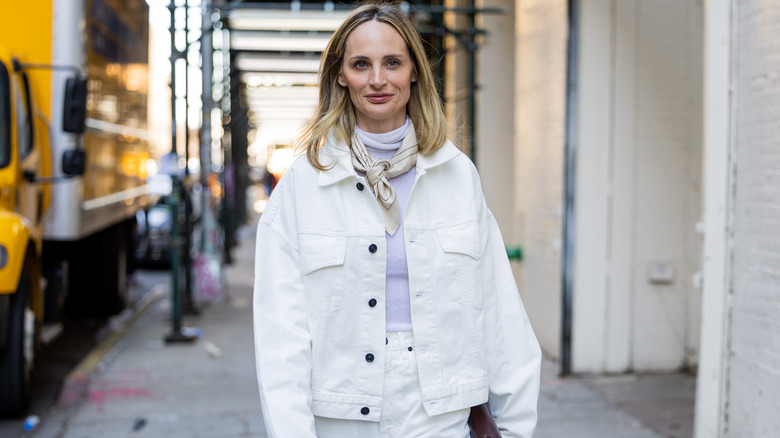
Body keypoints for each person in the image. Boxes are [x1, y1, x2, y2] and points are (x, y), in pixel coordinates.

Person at [253, 2, 541, 437]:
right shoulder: (303, 186)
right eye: (361, 64)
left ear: (414, 72)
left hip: (439, 417)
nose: (377, 79)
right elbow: (281, 335)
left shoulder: (456, 174)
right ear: (340, 75)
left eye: (392, 62)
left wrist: (516, 427)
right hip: (342, 418)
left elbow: (498, 309)